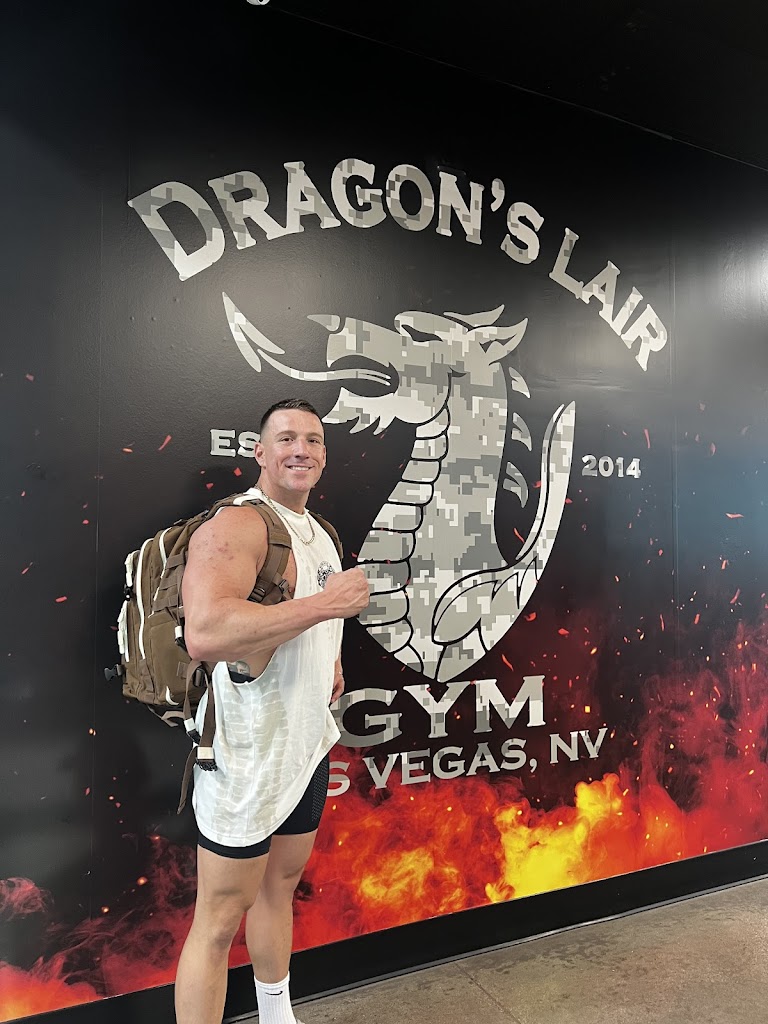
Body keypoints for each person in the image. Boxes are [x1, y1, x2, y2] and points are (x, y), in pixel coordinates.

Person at [175, 398, 370, 1024]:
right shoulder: (238, 523)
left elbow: (308, 625)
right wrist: (326, 607)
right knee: (217, 920)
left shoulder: (320, 532)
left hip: (304, 748)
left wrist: (328, 661)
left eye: (313, 440)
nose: (301, 450)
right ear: (259, 451)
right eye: (286, 438)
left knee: (279, 888)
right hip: (245, 757)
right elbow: (206, 631)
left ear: (324, 456)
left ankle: (277, 1016)